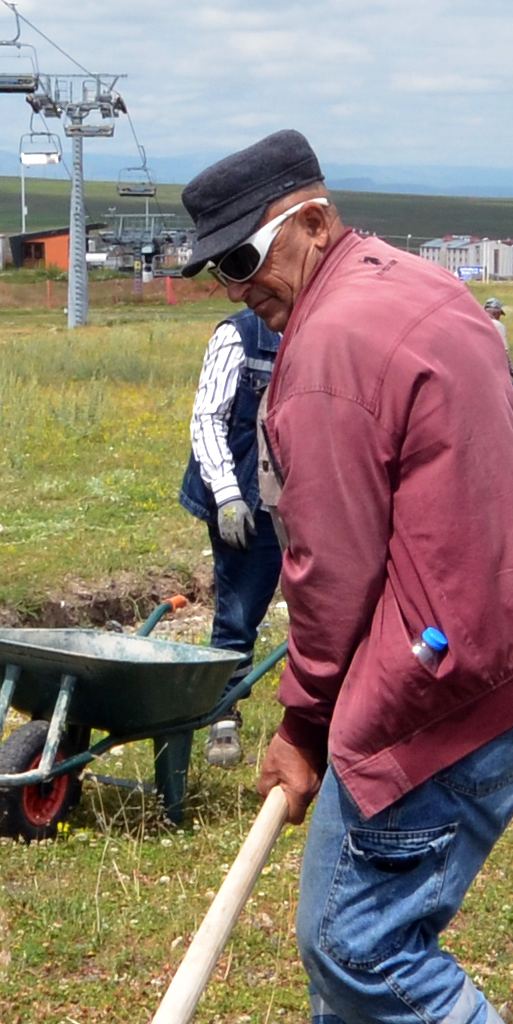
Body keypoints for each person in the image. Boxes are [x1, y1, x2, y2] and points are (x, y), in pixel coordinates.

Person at [176, 130, 513, 1024]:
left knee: (359, 943)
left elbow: (329, 572)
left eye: (248, 258)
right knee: (351, 926)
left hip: (433, 682)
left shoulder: (322, 358)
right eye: (216, 271)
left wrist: (303, 719)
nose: (236, 290)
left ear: (311, 219)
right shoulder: (417, 283)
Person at [177, 300, 284, 748]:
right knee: (240, 611)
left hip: (297, 493)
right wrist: (227, 495)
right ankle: (223, 712)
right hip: (243, 494)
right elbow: (207, 418)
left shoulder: (320, 329)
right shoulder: (240, 335)